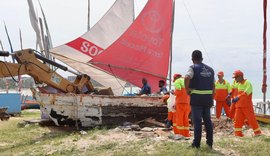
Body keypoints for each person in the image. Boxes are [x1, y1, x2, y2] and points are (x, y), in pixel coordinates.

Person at [185, 50, 214, 148]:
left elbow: (186, 77)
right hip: (208, 99)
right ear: (202, 59)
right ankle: (209, 143)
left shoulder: (192, 68)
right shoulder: (210, 70)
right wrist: (212, 97)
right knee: (208, 121)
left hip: (197, 99)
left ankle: (196, 144)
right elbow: (213, 85)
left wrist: (187, 89)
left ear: (192, 59)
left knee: (197, 122)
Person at [231, 70, 262, 137]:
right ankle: (238, 134)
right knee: (237, 120)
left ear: (240, 76)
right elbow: (237, 93)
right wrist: (233, 98)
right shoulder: (239, 84)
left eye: (236, 77)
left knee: (251, 120)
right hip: (239, 106)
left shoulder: (247, 83)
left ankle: (258, 133)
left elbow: (247, 92)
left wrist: (238, 97)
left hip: (247, 106)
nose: (235, 79)